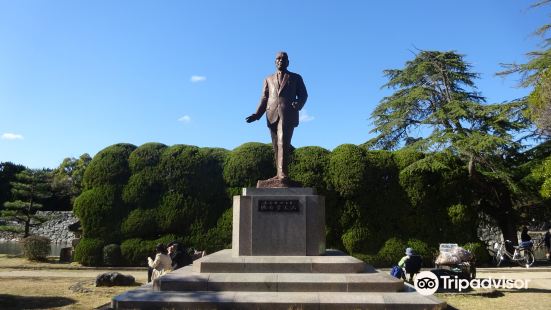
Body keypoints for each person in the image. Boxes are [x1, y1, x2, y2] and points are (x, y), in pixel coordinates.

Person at [246, 51, 308, 186]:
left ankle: (282, 173)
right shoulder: (268, 78)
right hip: (271, 114)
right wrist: (257, 115)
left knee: (283, 142)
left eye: (283, 59)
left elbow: (303, 94)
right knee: (276, 146)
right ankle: (279, 173)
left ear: (288, 62)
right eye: (278, 59)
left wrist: (298, 104)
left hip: (288, 113)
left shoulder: (296, 77)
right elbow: (264, 98)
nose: (280, 61)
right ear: (275, 62)